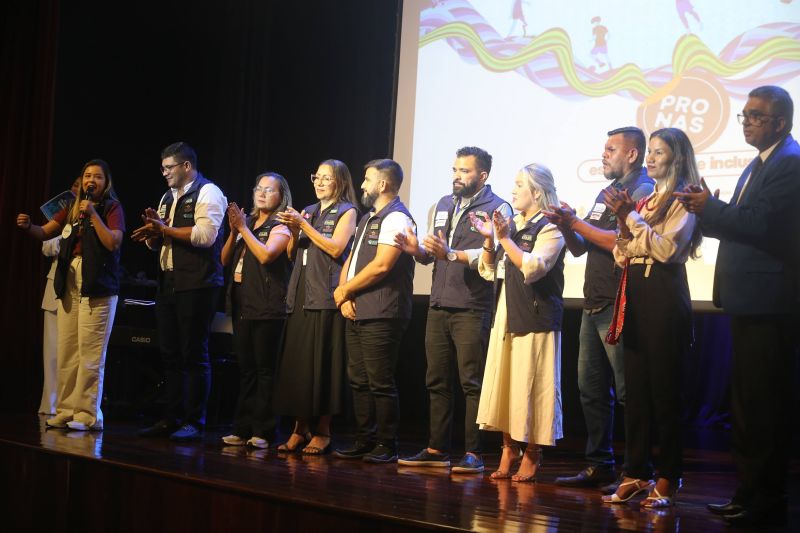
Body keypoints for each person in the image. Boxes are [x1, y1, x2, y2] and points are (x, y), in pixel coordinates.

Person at [675, 86, 799, 527]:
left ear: (780, 122)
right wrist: (707, 209)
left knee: (762, 407)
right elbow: (742, 223)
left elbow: (760, 226)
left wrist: (711, 208)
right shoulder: (763, 160)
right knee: (748, 405)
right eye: (744, 115)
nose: (746, 121)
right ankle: (749, 493)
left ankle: (763, 498)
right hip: (751, 302)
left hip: (770, 304)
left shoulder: (789, 163)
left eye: (756, 116)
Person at [544, 127, 653, 492]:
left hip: (620, 304)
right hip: (593, 302)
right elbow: (581, 247)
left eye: (611, 149)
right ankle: (599, 466)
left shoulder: (641, 191)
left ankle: (636, 470)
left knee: (627, 392)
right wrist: (567, 226)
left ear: (633, 154)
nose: (603, 154)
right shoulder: (604, 193)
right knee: (590, 389)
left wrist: (576, 224)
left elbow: (620, 241)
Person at [601, 127, 701, 508]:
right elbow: (623, 252)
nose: (651, 158)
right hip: (637, 296)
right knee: (637, 393)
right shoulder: (646, 201)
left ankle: (669, 475)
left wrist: (631, 222)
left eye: (659, 152)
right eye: (651, 152)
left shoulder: (684, 198)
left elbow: (666, 251)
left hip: (664, 296)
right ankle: (636, 472)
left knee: (664, 393)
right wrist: (627, 223)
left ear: (676, 157)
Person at [395, 146, 512, 473]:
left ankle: (474, 453)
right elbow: (431, 253)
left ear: (482, 175)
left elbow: (495, 255)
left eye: (465, 171)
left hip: (472, 306)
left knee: (471, 382)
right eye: (455, 170)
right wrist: (415, 249)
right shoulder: (442, 205)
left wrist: (449, 253)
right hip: (438, 303)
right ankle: (436, 449)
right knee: (436, 380)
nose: (457, 176)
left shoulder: (499, 208)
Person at [472, 163, 565, 482]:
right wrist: (490, 240)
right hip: (506, 313)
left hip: (536, 317)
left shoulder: (550, 227)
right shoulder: (513, 226)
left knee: (534, 385)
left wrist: (505, 239)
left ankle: (533, 453)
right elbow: (489, 270)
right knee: (506, 385)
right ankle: (508, 447)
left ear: (536, 192)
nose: (512, 191)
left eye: (518, 185)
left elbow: (533, 268)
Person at [17, 159, 125, 431]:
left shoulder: (112, 208)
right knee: (67, 351)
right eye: (87, 176)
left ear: (106, 182)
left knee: (90, 355)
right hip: (70, 282)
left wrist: (94, 215)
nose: (91, 181)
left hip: (98, 287)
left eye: (97, 177)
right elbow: (44, 232)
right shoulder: (71, 208)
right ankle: (64, 410)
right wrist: (28, 226)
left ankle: (87, 415)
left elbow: (113, 241)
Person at [132, 142, 227, 441]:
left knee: (194, 353)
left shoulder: (209, 192)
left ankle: (194, 421)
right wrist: (152, 234)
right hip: (168, 281)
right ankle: (170, 418)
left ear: (186, 166)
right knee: (170, 353)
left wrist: (163, 230)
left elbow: (205, 236)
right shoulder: (166, 197)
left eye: (169, 167)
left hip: (198, 283)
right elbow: (159, 240)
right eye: (162, 168)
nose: (164, 173)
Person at [332, 159, 416, 464]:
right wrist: (344, 296)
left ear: (383, 184)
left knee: (380, 380)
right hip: (358, 308)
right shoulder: (369, 218)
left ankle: (386, 443)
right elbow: (352, 258)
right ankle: (364, 439)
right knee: (358, 378)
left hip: (383, 310)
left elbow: (382, 265)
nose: (363, 185)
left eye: (367, 180)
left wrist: (347, 290)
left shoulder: (397, 218)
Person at [272, 160, 358, 454]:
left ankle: (323, 430)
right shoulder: (308, 210)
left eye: (326, 178)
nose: (319, 183)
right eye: (316, 177)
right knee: (298, 365)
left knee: (324, 366)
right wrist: (294, 231)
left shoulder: (347, 211)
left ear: (340, 183)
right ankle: (299, 428)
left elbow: (336, 248)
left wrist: (304, 225)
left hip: (325, 296)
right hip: (300, 294)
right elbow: (290, 253)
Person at [219, 172, 292, 449]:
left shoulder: (280, 224)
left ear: (280, 196)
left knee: (265, 370)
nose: (262, 193)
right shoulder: (246, 222)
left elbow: (265, 255)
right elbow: (224, 259)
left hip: (268, 306)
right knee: (246, 369)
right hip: (242, 303)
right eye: (258, 188)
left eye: (269, 190)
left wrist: (244, 230)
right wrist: (235, 230)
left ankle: (264, 430)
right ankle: (242, 427)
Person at [39, 176, 83, 415]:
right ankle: (51, 404)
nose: (77, 190)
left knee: (75, 351)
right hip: (55, 285)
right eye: (74, 186)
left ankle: (73, 406)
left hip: (80, 287)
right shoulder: (62, 216)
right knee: (53, 351)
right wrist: (66, 236)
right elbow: (46, 246)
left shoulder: (96, 213)